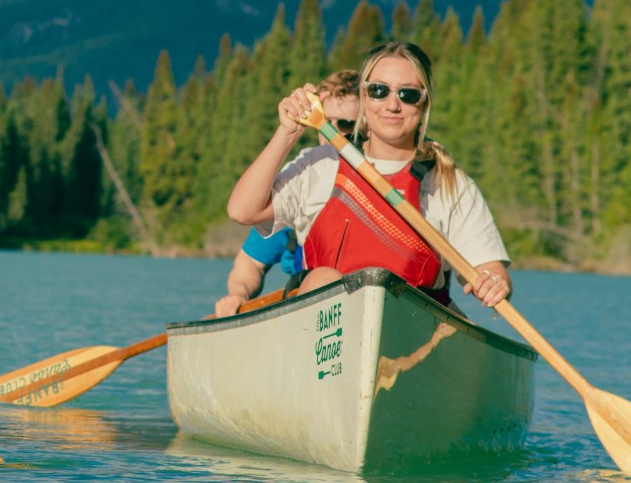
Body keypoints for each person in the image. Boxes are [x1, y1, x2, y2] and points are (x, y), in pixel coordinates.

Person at [223, 41, 512, 310]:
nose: (392, 104)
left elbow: (489, 267)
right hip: (325, 333)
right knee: (323, 279)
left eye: (408, 94)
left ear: (424, 103)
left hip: (410, 326)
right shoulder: (320, 164)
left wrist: (494, 281)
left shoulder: (450, 183)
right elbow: (242, 211)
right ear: (364, 96)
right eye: (379, 91)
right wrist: (287, 133)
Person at [213, 70, 358, 315]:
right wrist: (238, 295)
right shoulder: (303, 182)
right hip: (312, 306)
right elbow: (249, 263)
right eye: (323, 121)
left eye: (344, 124)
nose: (329, 133)